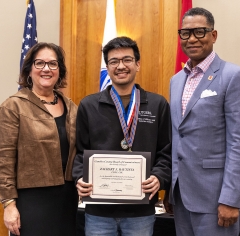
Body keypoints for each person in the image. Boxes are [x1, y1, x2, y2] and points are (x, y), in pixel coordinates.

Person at [167, 7, 240, 236]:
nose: (192, 39)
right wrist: (170, 190)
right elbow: (178, 137)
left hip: (217, 199)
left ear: (213, 35)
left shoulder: (233, 76)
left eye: (200, 32)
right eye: (185, 33)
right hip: (181, 198)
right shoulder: (176, 81)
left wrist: (231, 198)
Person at [73, 36, 172, 236]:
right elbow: (79, 152)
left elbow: (167, 151)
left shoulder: (157, 104)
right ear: (107, 68)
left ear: (138, 64)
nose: (121, 66)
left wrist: (159, 177)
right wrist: (80, 178)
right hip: (98, 212)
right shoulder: (89, 105)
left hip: (140, 212)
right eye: (114, 61)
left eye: (127, 60)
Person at [0, 42, 78, 235]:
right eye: (39, 63)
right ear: (29, 69)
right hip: (32, 202)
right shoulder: (13, 107)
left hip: (68, 200)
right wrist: (9, 205)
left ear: (59, 70)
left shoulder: (72, 107)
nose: (46, 69)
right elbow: (1, 161)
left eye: (53, 64)